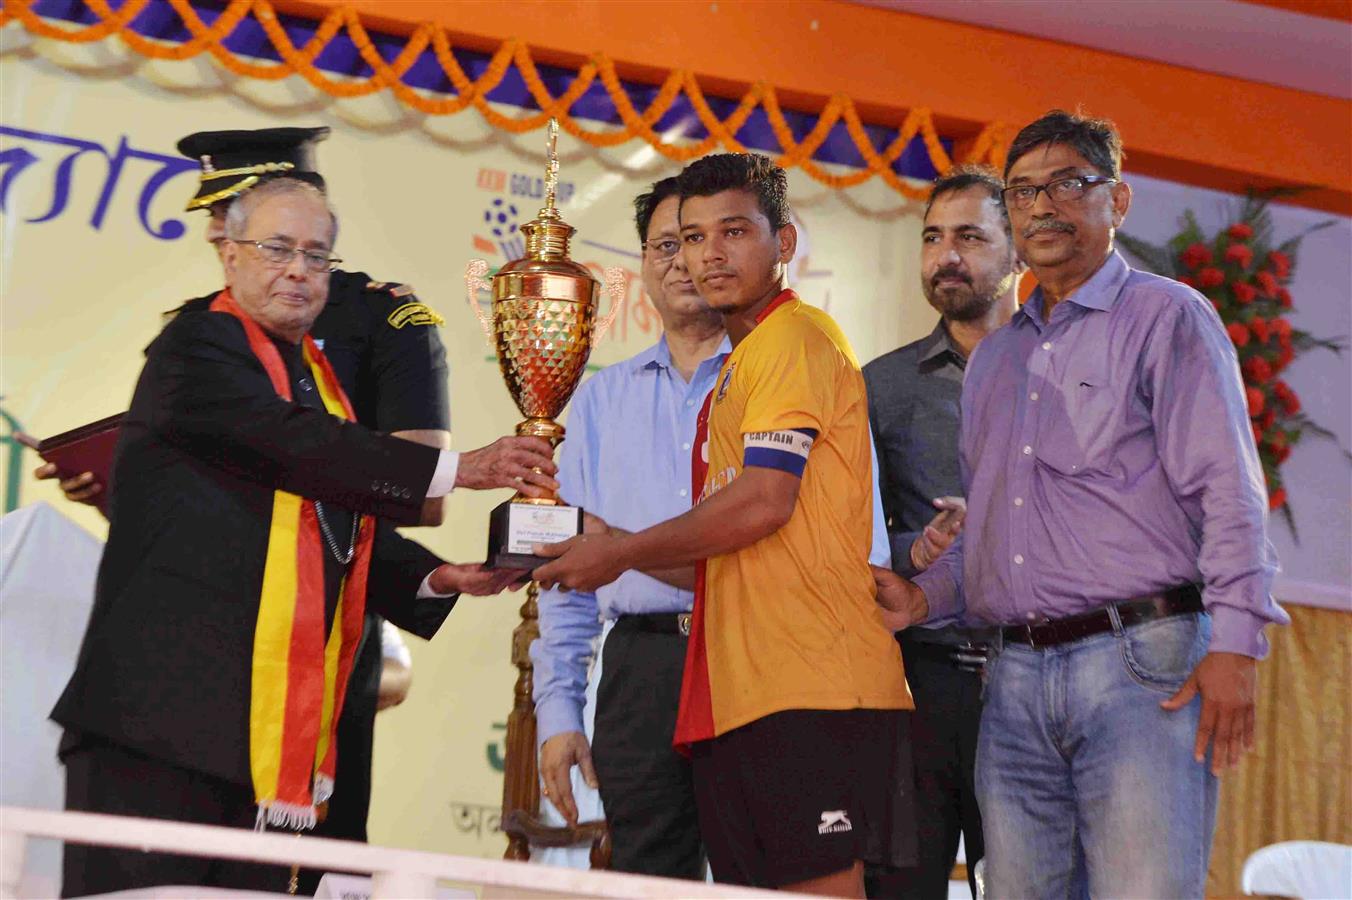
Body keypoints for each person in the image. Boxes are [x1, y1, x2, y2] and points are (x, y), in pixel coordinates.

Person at [51, 177, 551, 897]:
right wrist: (459, 469)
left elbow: (310, 515)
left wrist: (436, 578)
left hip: (252, 745)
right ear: (229, 253)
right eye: (277, 249)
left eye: (317, 256)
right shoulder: (197, 344)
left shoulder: (308, 376)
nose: (299, 270)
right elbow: (301, 451)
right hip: (156, 728)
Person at [875, 110, 1290, 898]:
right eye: (1024, 191)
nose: (1041, 207)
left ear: (1118, 199)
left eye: (1069, 184)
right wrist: (924, 594)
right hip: (1012, 679)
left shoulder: (1169, 317)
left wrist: (1237, 644)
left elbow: (1228, 490)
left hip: (1141, 666)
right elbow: (989, 534)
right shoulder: (997, 359)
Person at [534, 153, 914, 897]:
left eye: (729, 233)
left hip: (802, 673)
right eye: (680, 240)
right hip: (695, 674)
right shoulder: (623, 394)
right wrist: (561, 697)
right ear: (645, 261)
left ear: (783, 240)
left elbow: (768, 507)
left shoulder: (792, 343)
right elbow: (710, 551)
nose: (703, 257)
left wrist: (619, 550)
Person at [530, 176, 728, 878]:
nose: (681, 261)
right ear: (642, 264)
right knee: (643, 881)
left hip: (751, 656)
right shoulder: (598, 401)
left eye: (699, 241)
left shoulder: (779, 382)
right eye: (664, 245)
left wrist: (623, 549)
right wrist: (558, 715)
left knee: (759, 882)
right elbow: (566, 566)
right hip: (641, 672)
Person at [863, 165, 1023, 899]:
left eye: (968, 236)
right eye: (932, 238)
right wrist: (910, 554)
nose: (945, 256)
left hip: (1030, 681)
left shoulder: (1059, 374)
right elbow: (842, 535)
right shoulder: (880, 387)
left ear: (1018, 250)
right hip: (914, 686)